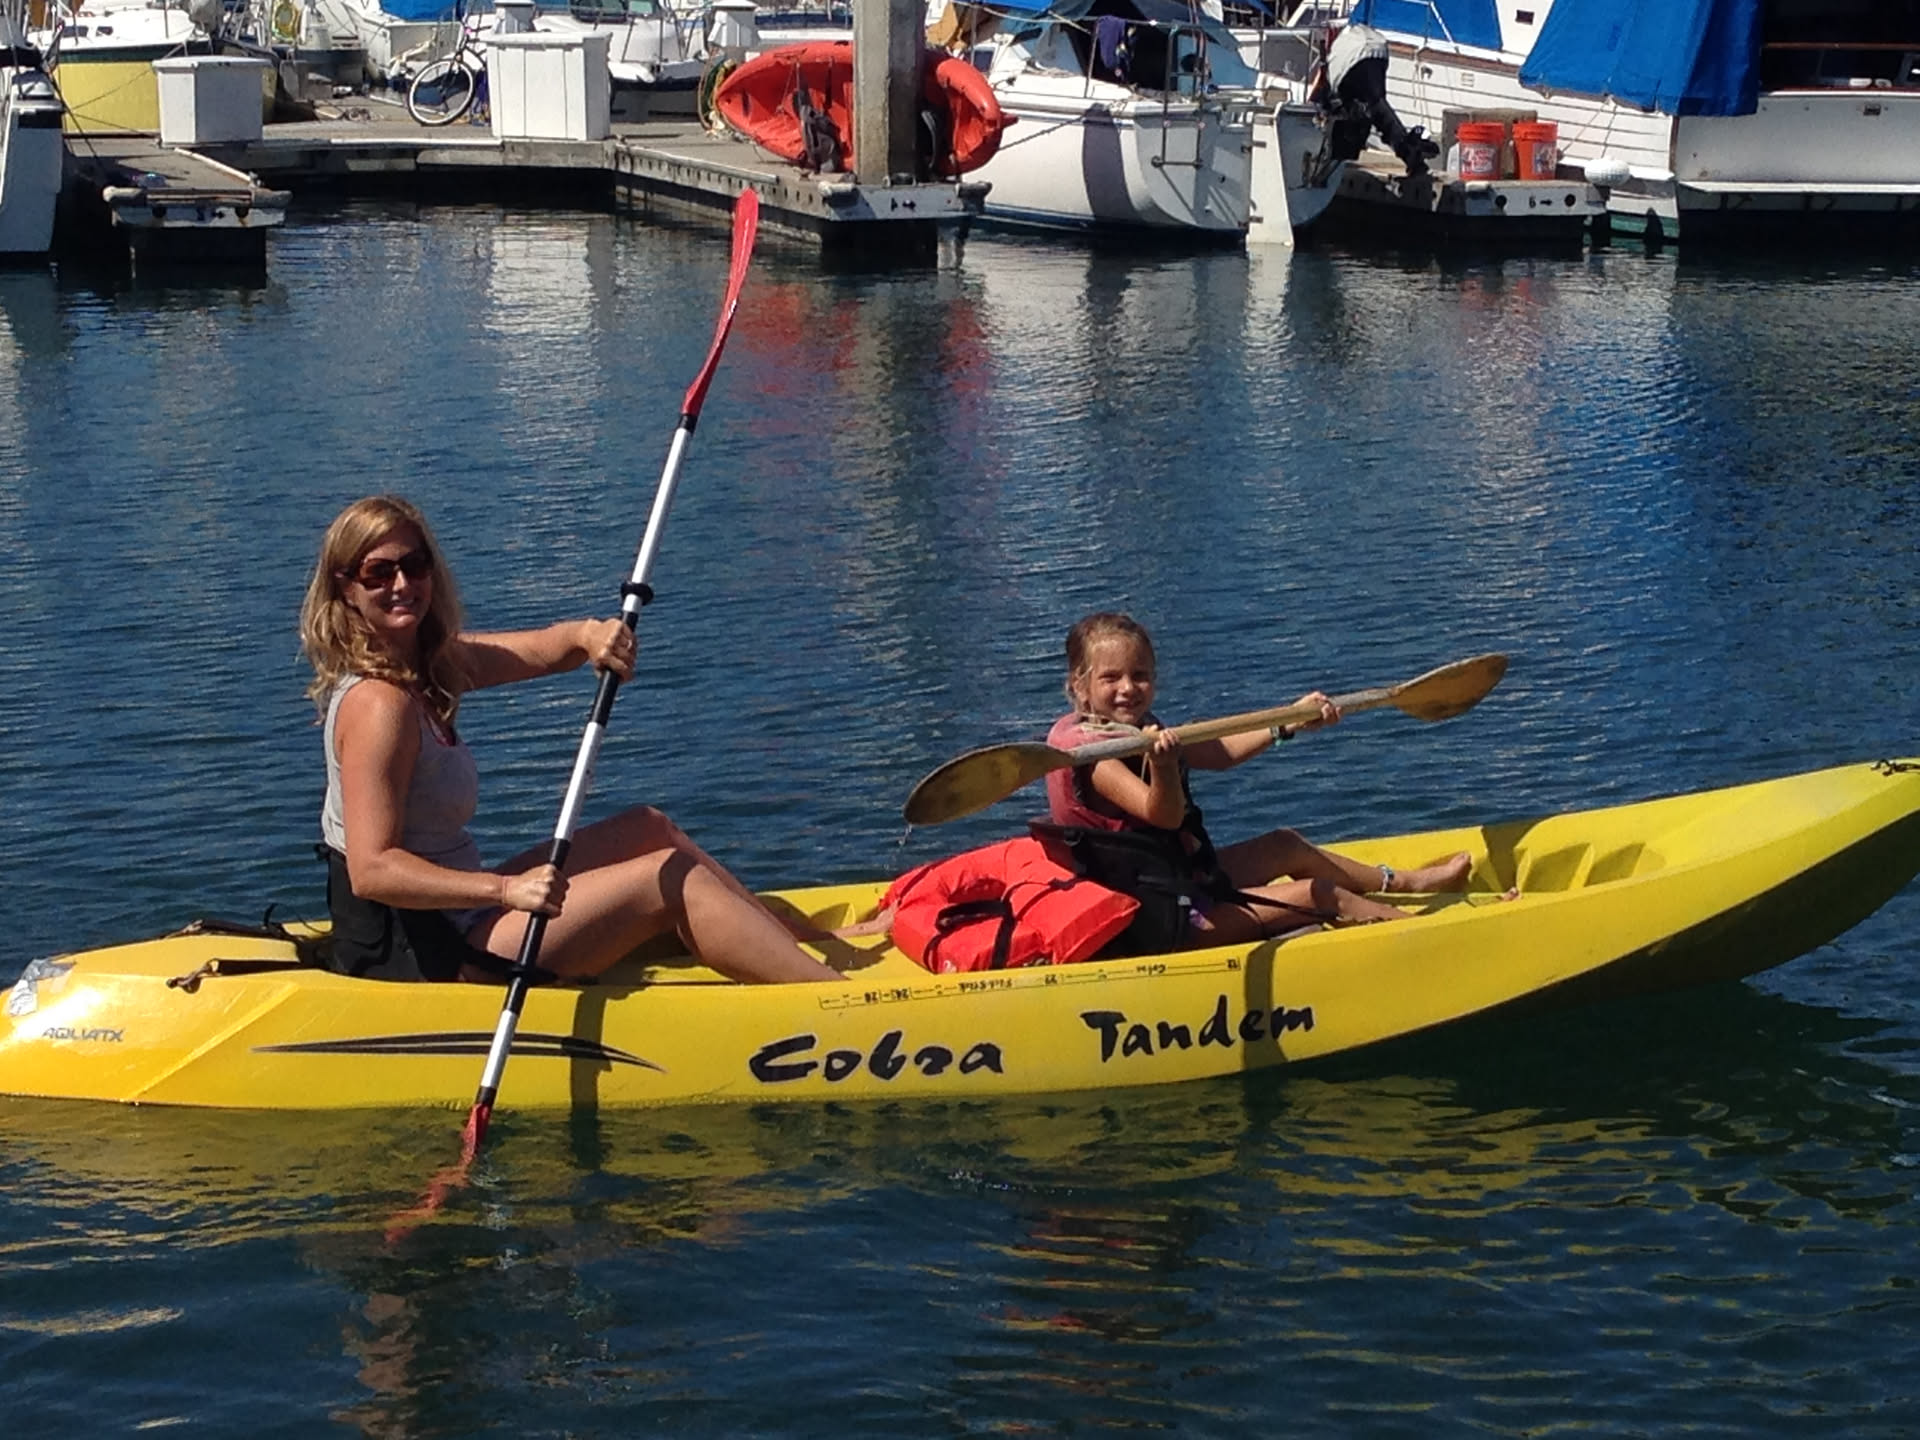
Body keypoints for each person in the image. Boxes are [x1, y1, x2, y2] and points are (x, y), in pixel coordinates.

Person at [299, 494, 840, 985]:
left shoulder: (426, 667)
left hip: (457, 913)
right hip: (429, 951)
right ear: (346, 589)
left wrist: (589, 635)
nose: (402, 585)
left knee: (648, 829)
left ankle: (795, 942)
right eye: (379, 573)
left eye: (414, 566)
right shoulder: (380, 706)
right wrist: (505, 891)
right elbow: (373, 870)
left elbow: (540, 650)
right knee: (669, 877)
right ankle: (834, 999)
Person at [1044, 612, 1481, 946]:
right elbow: (1165, 816)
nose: (1128, 688)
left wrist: (1288, 721)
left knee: (1284, 845)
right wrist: (1162, 767)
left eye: (1140, 676)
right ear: (1080, 686)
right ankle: (1439, 936)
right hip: (1160, 919)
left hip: (1178, 880)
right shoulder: (1094, 755)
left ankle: (1409, 882)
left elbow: (1217, 752)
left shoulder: (1133, 729)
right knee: (1318, 895)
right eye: (1111, 678)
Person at [1314, 21, 1439, 176]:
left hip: (1355, 60)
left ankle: (1409, 153)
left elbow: (1327, 98)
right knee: (1378, 108)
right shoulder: (1349, 41)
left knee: (1376, 111)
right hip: (1374, 54)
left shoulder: (1334, 63)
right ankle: (1410, 154)